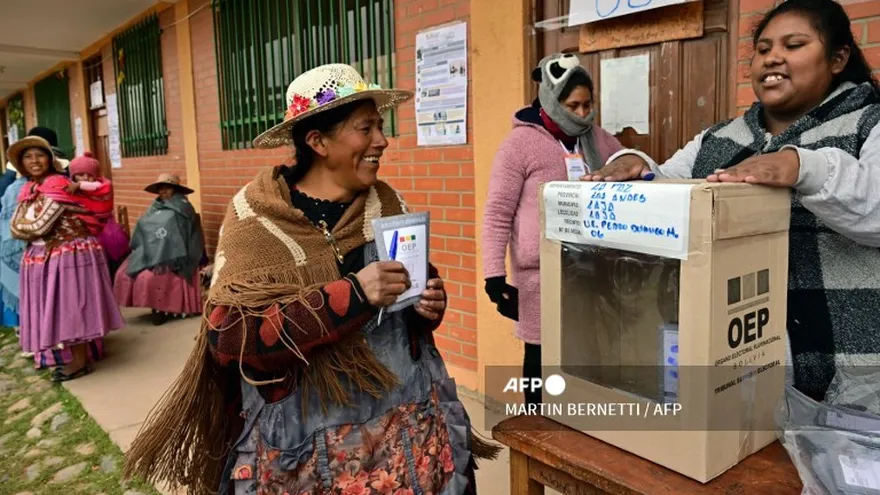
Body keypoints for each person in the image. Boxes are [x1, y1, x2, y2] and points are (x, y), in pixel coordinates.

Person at [124, 64, 497, 494]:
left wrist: (426, 307)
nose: (382, 140)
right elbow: (230, 336)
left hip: (405, 437)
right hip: (304, 452)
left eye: (380, 126)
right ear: (318, 142)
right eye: (366, 128)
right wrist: (355, 295)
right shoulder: (256, 219)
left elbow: (410, 299)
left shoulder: (387, 203)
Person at [585, 0, 880, 402]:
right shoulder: (718, 138)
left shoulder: (867, 123)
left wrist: (803, 166)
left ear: (837, 58)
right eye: (763, 49)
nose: (772, 57)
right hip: (737, 370)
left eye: (793, 45)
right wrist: (634, 164)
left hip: (850, 376)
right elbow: (668, 185)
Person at [481, 53, 623, 406]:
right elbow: (498, 212)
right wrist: (494, 276)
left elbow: (627, 164)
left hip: (592, 269)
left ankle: (579, 423)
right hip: (539, 274)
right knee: (540, 357)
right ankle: (537, 425)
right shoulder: (519, 145)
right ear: (551, 99)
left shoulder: (598, 140)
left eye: (587, 105)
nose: (582, 114)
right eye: (572, 105)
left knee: (587, 352)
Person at [9, 135, 124, 381]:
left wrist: (22, 227)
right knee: (57, 307)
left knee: (72, 306)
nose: (34, 161)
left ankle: (80, 362)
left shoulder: (57, 185)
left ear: (50, 160)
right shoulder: (29, 189)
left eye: (40, 155)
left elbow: (39, 225)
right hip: (47, 255)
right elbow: (15, 225)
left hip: (70, 254)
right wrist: (23, 227)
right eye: (28, 157)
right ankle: (73, 358)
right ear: (21, 163)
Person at [113, 173, 203, 326]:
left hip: (177, 251)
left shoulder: (183, 206)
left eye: (167, 188)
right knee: (125, 273)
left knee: (151, 277)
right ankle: (155, 307)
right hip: (155, 246)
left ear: (175, 189)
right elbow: (147, 225)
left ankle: (161, 310)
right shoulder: (156, 205)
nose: (163, 191)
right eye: (161, 188)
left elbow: (182, 232)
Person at [65, 151, 130, 279]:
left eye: (89, 175)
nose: (85, 178)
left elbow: (96, 187)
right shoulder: (71, 191)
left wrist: (79, 184)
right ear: (73, 176)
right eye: (80, 175)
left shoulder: (103, 185)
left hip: (106, 230)